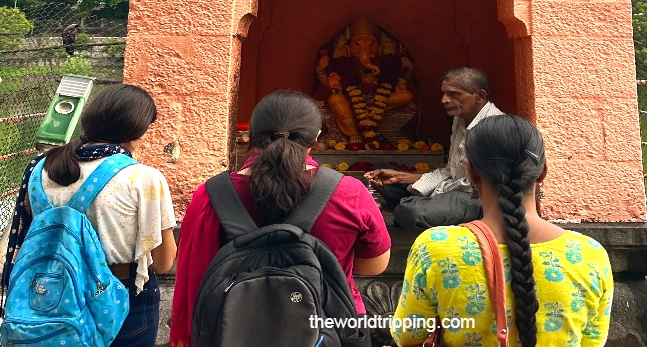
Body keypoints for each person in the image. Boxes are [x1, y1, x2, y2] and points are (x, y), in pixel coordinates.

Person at [170, 91, 391, 347]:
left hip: (232, 329)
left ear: (251, 135)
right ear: (317, 137)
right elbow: (374, 266)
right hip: (331, 328)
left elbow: (196, 269)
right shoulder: (349, 193)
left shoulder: (210, 195)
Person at [392, 114, 613, 347]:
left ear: (470, 172)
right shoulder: (590, 254)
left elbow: (408, 335)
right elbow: (592, 342)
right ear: (543, 171)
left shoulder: (435, 248)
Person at [0, 83, 177, 347]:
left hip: (46, 293)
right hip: (122, 297)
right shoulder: (143, 178)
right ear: (138, 129)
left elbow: (23, 234)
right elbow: (162, 264)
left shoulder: (39, 167)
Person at [366, 67, 502, 230]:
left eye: (454, 94)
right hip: (452, 188)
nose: (444, 100)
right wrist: (400, 177)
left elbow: (476, 186)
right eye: (444, 93)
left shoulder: (494, 127)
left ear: (480, 96)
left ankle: (418, 207)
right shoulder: (459, 120)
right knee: (381, 172)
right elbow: (450, 171)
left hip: (477, 198)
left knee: (410, 211)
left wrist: (433, 191)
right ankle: (424, 206)